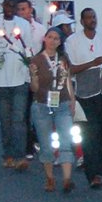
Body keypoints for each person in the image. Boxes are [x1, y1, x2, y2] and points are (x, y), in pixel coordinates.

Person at [64, 7, 102, 189]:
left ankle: (99, 172)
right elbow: (70, 69)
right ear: (82, 21)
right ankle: (92, 173)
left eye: (94, 17)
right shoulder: (72, 41)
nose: (92, 20)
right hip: (86, 93)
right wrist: (92, 64)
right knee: (90, 133)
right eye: (88, 17)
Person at [0, 0, 41, 172]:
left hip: (19, 78)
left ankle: (20, 155)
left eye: (12, 6)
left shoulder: (24, 25)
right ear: (2, 6)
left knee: (19, 118)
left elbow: (29, 50)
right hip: (0, 79)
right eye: (6, 5)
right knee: (5, 118)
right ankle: (8, 153)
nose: (9, 8)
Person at [29, 27, 76, 191]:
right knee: (46, 143)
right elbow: (34, 89)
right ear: (45, 39)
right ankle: (49, 178)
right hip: (42, 105)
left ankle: (67, 179)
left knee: (66, 140)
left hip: (62, 103)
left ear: (60, 42)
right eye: (50, 37)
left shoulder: (63, 59)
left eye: (56, 38)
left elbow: (68, 80)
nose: (53, 41)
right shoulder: (37, 60)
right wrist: (34, 76)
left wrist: (72, 100)